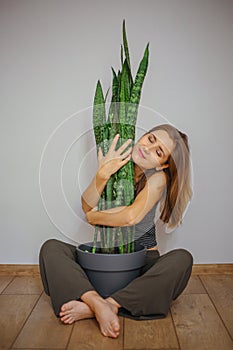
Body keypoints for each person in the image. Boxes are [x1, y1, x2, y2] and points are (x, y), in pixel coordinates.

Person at [39, 123, 193, 339]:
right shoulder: (117, 161)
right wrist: (102, 174)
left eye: (159, 152)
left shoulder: (158, 179)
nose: (149, 148)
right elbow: (86, 205)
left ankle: (103, 304)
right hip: (104, 262)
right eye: (150, 139)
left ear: (163, 165)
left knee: (182, 259)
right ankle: (99, 302)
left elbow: (131, 216)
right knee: (51, 248)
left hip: (141, 263)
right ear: (143, 136)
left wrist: (93, 217)